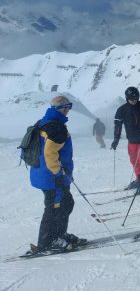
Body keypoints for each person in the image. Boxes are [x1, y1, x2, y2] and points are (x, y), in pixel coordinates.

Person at [27, 96, 86, 254]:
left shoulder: (45, 121)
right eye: (67, 107)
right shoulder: (56, 127)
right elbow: (49, 153)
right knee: (54, 207)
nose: (68, 110)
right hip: (52, 177)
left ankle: (59, 234)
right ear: (61, 109)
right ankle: (47, 242)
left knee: (66, 203)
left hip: (45, 173)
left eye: (69, 107)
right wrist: (58, 172)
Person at [111, 86, 140, 191]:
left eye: (136, 99)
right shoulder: (122, 110)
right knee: (134, 160)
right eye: (131, 99)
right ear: (127, 98)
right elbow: (118, 126)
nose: (134, 101)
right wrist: (116, 139)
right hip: (131, 140)